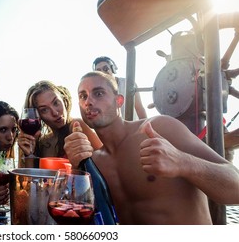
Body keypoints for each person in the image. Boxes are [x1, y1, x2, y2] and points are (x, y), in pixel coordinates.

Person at [64, 71, 239, 224]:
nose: (89, 102)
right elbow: (80, 213)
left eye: (99, 93)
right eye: (83, 96)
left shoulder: (159, 128)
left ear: (119, 101)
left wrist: (183, 162)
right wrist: (75, 167)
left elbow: (235, 187)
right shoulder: (95, 162)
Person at [18, 80, 102, 164]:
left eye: (56, 103)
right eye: (44, 110)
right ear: (38, 116)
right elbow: (31, 176)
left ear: (63, 100)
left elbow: (105, 161)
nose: (55, 112)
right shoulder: (43, 143)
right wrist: (29, 155)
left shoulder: (76, 126)